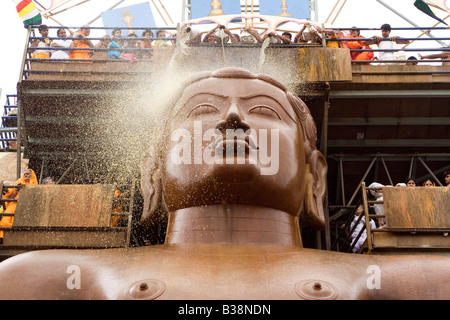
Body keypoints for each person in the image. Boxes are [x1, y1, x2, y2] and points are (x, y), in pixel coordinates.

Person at [0, 68, 450, 300]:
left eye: (264, 111)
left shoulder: (408, 280)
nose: (232, 118)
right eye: (200, 110)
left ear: (315, 175)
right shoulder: (43, 275)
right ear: (153, 172)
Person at [0, 169, 38, 242]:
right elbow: (9, 197)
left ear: (31, 175)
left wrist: (26, 188)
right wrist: (17, 190)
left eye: (27, 174)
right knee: (4, 221)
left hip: (28, 205)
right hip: (15, 204)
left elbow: (34, 196)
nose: (25, 175)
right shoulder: (19, 182)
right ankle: (1, 237)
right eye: (24, 174)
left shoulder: (34, 185)